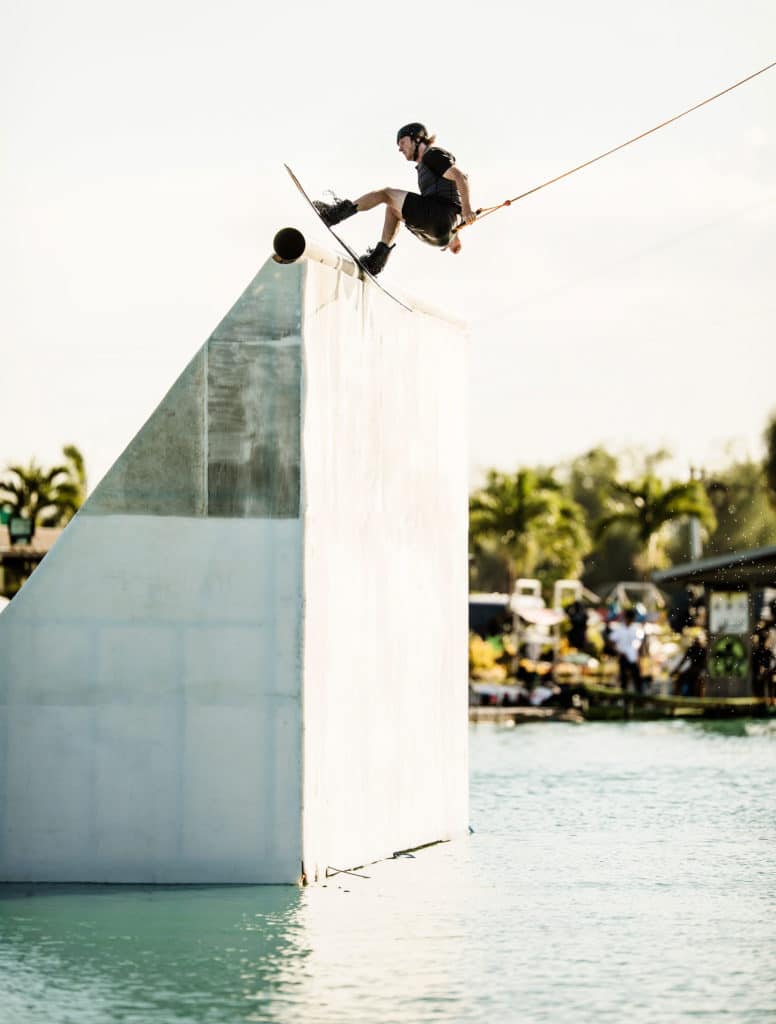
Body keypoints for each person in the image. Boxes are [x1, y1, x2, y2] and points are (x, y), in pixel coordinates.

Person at [313, 122, 476, 276]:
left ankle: (334, 214)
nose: (400, 148)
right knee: (393, 210)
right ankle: (376, 261)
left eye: (403, 142)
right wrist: (451, 237)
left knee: (386, 194)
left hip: (439, 217)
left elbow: (460, 177)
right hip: (441, 232)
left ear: (416, 139)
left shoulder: (432, 155)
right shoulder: (424, 167)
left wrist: (467, 209)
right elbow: (451, 196)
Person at [612, 608, 645, 693]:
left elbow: (640, 643)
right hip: (623, 656)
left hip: (633, 657)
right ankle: (625, 697)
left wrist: (638, 655)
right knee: (624, 678)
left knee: (636, 678)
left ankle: (639, 697)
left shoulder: (635, 629)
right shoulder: (619, 629)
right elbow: (612, 641)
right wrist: (618, 651)